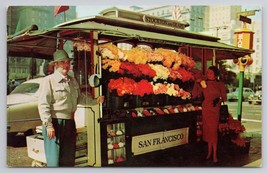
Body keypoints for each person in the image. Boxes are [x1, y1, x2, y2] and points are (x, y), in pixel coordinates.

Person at [38, 49, 104, 167]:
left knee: (68, 159)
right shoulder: (48, 81)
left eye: (68, 62)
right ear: (56, 64)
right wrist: (48, 125)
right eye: (63, 62)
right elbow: (43, 104)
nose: (66, 65)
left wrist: (95, 101)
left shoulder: (72, 81)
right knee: (54, 162)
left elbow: (80, 99)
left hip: (69, 123)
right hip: (54, 123)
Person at [192, 66, 227, 164]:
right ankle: (209, 152)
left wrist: (218, 99)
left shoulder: (220, 84)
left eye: (211, 73)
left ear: (215, 74)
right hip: (206, 109)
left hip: (215, 110)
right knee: (207, 131)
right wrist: (197, 83)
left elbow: (224, 98)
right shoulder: (204, 83)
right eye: (207, 72)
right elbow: (195, 94)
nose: (208, 74)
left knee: (213, 132)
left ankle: (215, 155)